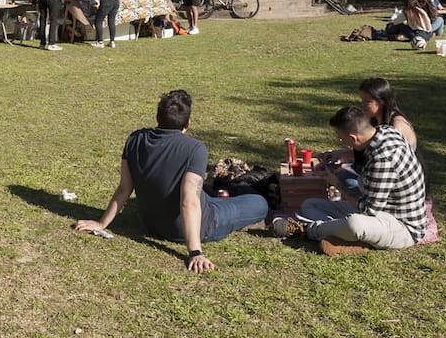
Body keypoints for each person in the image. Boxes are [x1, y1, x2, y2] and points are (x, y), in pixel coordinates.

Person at [74, 90, 268, 274]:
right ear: (188, 124)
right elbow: (188, 201)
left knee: (211, 196)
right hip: (198, 227)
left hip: (152, 225)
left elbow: (125, 188)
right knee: (259, 202)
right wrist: (195, 252)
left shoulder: (135, 139)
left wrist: (101, 223)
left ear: (158, 118)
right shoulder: (195, 148)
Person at [274, 106, 426, 256]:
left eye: (341, 138)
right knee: (310, 205)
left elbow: (368, 211)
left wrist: (337, 183)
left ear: (353, 138)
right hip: (382, 211)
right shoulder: (386, 131)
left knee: (355, 224)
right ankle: (346, 239)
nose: (341, 141)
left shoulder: (383, 159)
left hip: (402, 227)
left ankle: (306, 230)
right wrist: (340, 156)